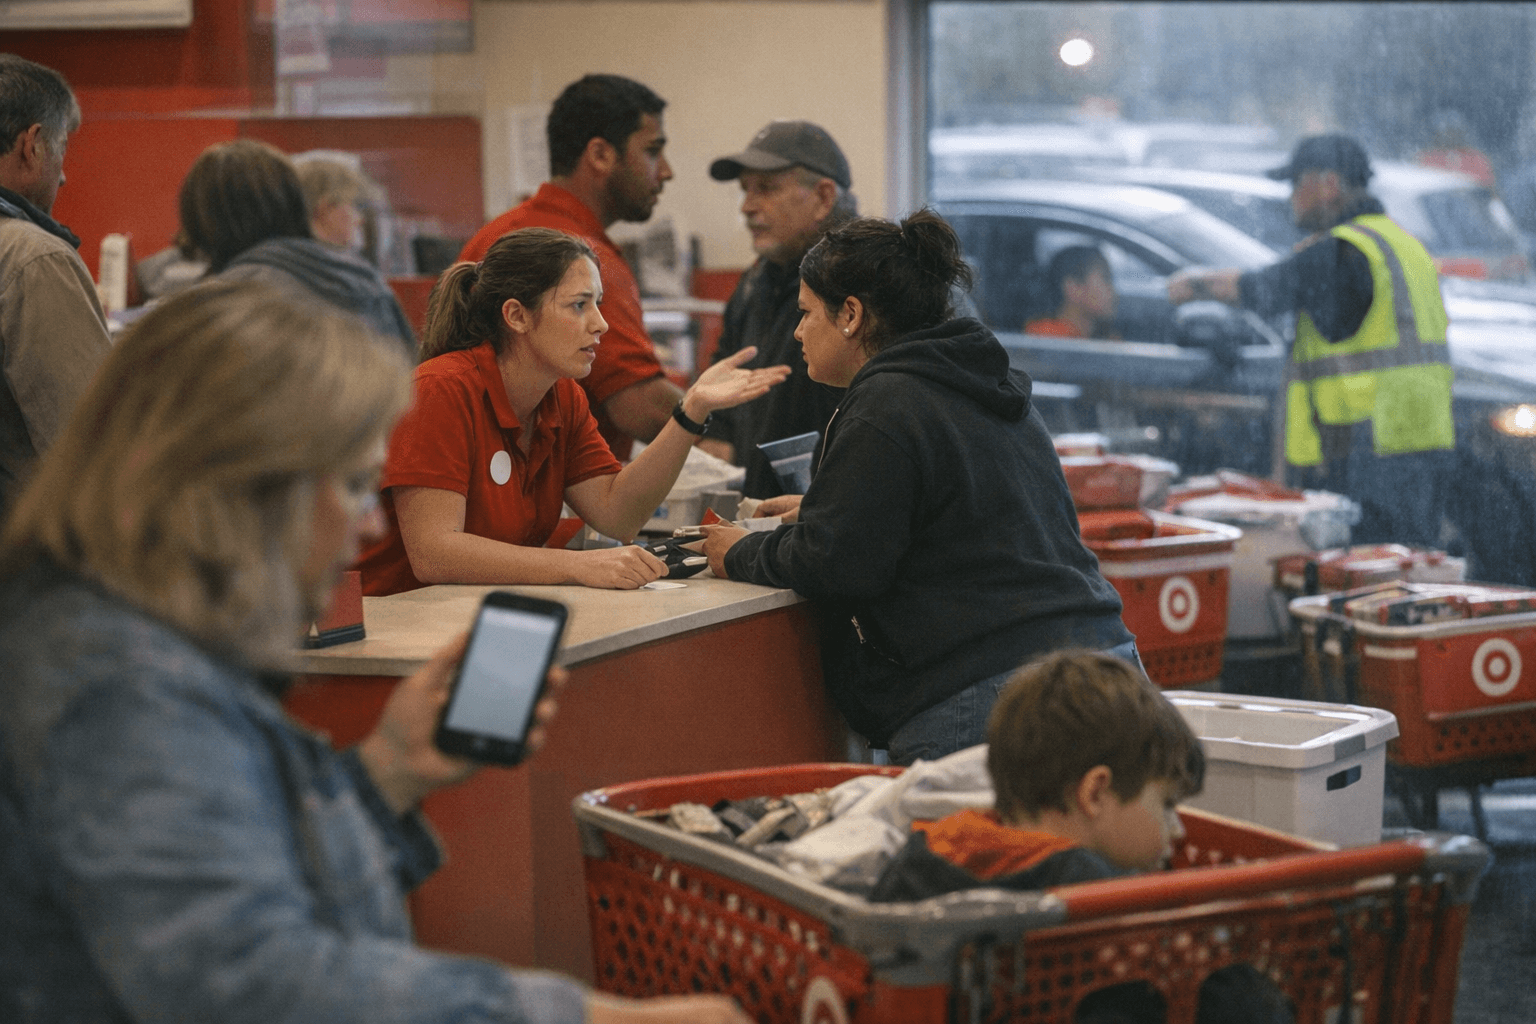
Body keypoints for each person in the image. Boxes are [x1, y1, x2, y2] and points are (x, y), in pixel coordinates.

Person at [0, 279, 750, 1024]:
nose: (365, 526)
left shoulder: (137, 646)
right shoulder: (119, 691)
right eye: (354, 485)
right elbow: (248, 984)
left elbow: (244, 865)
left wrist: (388, 771)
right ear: (246, 486)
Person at [700, 210, 1136, 766]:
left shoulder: (885, 403)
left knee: (972, 854)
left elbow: (837, 562)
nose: (797, 331)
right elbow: (964, 510)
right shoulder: (976, 381)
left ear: (851, 315)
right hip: (1103, 666)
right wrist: (826, 508)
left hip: (994, 693)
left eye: (807, 314)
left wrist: (740, 550)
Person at [354, 227, 788, 596]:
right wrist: (576, 566)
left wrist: (691, 410)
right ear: (516, 316)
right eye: (579, 305)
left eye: (598, 303)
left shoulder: (563, 397)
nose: (600, 323)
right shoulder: (439, 390)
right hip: (388, 635)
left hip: (471, 620)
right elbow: (434, 554)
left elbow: (618, 513)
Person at [868, 650, 1293, 1024]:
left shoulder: (928, 849)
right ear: (1095, 793)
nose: (1177, 829)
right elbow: (1236, 1003)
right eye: (1165, 805)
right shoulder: (1092, 891)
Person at [1167, 134, 1455, 549]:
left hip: (1369, 450)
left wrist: (1190, 285)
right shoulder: (1401, 244)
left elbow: (1260, 289)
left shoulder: (1344, 250)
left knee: (1365, 575)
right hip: (1422, 440)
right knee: (1408, 566)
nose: (1291, 198)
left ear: (1328, 184)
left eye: (1295, 184)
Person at [459, 75, 678, 460]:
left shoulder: (494, 234)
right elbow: (641, 405)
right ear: (600, 155)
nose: (665, 171)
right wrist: (720, 421)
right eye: (652, 151)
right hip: (553, 495)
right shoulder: (583, 258)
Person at [699, 120, 857, 498]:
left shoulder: (866, 285)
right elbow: (726, 365)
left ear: (822, 197)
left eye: (766, 189)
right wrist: (716, 431)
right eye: (745, 190)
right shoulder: (756, 281)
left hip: (836, 515)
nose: (747, 206)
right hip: (762, 519)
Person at [179, 138, 416, 355]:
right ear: (293, 202)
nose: (359, 218)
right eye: (352, 205)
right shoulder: (366, 281)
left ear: (199, 218)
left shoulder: (220, 306)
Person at [0, 53, 111, 515]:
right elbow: (94, 450)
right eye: (63, 147)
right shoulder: (32, 260)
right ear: (33, 144)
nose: (64, 175)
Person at [294, 150, 381, 256]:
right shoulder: (323, 268)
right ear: (325, 209)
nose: (359, 219)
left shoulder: (289, 260)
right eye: (354, 206)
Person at [1024, 245, 1119, 339]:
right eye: (1106, 279)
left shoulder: (1106, 339)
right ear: (1073, 288)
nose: (1112, 290)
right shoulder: (1043, 337)